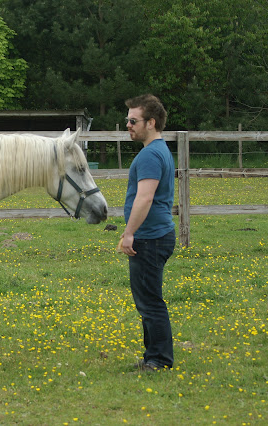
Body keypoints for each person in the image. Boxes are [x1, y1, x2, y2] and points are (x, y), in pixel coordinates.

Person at [121, 94, 176, 371]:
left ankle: (159, 360)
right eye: (127, 120)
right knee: (148, 300)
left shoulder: (151, 155)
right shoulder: (158, 151)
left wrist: (129, 233)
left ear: (151, 122)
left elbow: (145, 198)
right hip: (156, 235)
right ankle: (152, 355)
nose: (128, 125)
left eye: (133, 120)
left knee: (150, 302)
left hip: (150, 238)